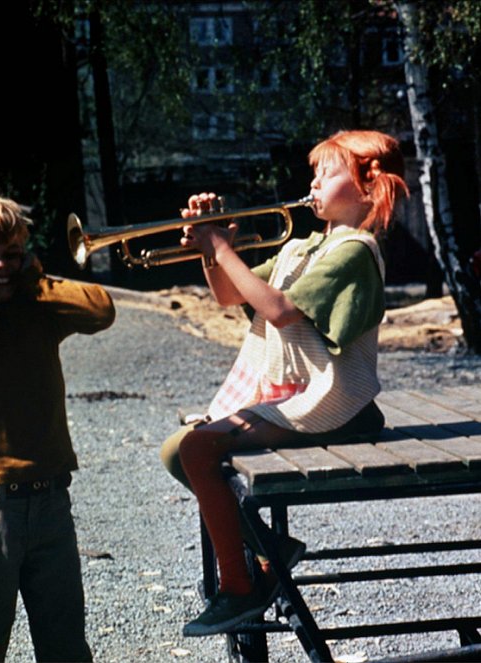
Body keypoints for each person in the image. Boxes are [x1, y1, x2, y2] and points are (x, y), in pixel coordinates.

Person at [160, 130, 409, 637]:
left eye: (328, 173)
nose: (313, 182)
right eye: (313, 173)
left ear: (369, 187)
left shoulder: (355, 251)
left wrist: (220, 245)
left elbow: (277, 310)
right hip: (298, 393)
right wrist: (212, 249)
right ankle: (268, 551)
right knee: (177, 451)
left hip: (334, 400)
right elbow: (232, 295)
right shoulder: (304, 248)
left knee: (198, 450)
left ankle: (240, 589)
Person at [0, 194, 116, 662]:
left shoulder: (36, 303)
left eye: (12, 255)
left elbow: (100, 310)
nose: (1, 267)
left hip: (51, 498)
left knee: (65, 644)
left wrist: (35, 276)